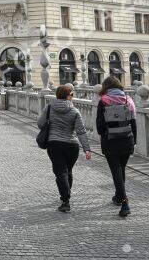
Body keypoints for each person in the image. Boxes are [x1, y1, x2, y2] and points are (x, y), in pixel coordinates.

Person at [37, 84, 92, 212]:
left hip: (54, 144)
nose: (73, 96)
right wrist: (87, 149)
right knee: (68, 171)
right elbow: (81, 131)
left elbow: (40, 124)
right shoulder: (74, 111)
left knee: (60, 172)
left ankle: (65, 199)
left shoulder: (49, 108)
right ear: (67, 96)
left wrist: (50, 123)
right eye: (72, 94)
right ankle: (66, 196)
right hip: (72, 145)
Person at [96, 76, 137, 217]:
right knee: (121, 169)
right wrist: (134, 141)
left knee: (116, 171)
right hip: (127, 139)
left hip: (110, 141)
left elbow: (100, 126)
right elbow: (133, 122)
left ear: (105, 87)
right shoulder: (128, 100)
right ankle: (119, 197)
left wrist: (107, 133)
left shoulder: (103, 101)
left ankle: (125, 202)